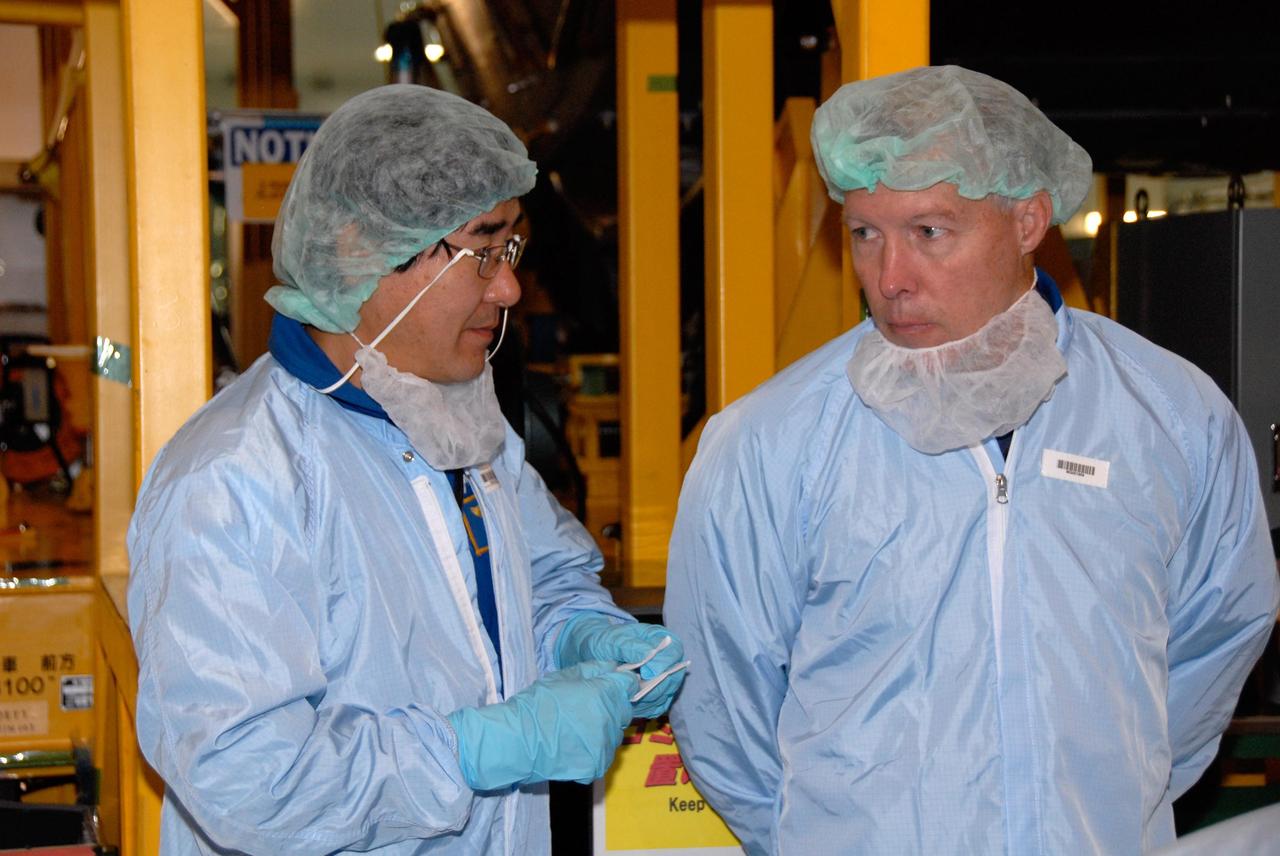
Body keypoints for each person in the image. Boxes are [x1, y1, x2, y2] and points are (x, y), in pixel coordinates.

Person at [663, 65, 1278, 855]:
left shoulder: (1168, 414)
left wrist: (1113, 787)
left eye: (929, 232)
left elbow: (1218, 634)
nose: (890, 278)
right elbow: (721, 698)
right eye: (864, 234)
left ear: (1027, 220)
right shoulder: (771, 440)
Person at [127, 84, 685, 855]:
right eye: (482, 250)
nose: (510, 286)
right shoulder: (234, 480)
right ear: (364, 250)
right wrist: (480, 748)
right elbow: (248, 780)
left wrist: (582, 637)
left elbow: (539, 582)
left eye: (512, 247)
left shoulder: (461, 419)